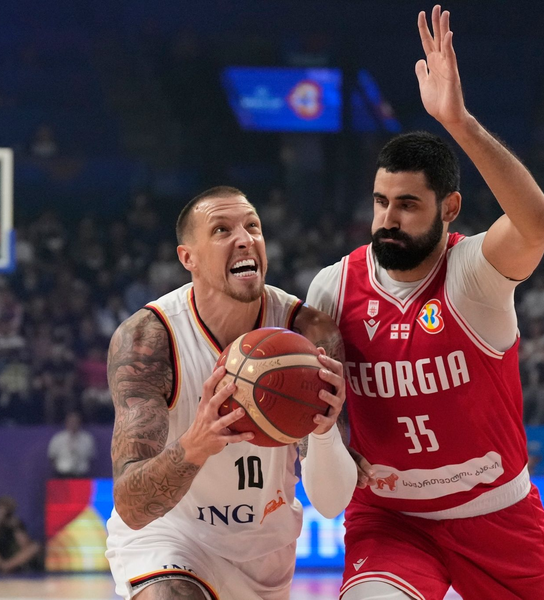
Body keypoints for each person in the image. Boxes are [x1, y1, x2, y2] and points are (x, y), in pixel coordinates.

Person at [307, 6, 544, 598]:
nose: (388, 219)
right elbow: (318, 415)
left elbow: (537, 223)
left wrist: (459, 123)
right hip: (391, 520)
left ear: (449, 208)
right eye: (381, 202)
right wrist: (330, 441)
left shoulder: (472, 272)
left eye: (408, 205)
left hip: (497, 513)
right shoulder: (333, 288)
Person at [105, 186, 357, 600]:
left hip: (265, 548)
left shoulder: (309, 335)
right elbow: (132, 507)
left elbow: (331, 504)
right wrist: (195, 444)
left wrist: (325, 433)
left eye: (252, 226)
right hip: (171, 535)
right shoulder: (149, 340)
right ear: (188, 257)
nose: (244, 239)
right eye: (222, 230)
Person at [47, 410, 96, 477]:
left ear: (80, 423)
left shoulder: (87, 439)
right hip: (62, 475)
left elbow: (91, 457)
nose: (73, 424)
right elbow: (52, 456)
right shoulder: (58, 438)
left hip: (81, 475)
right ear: (66, 423)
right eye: (71, 422)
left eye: (75, 422)